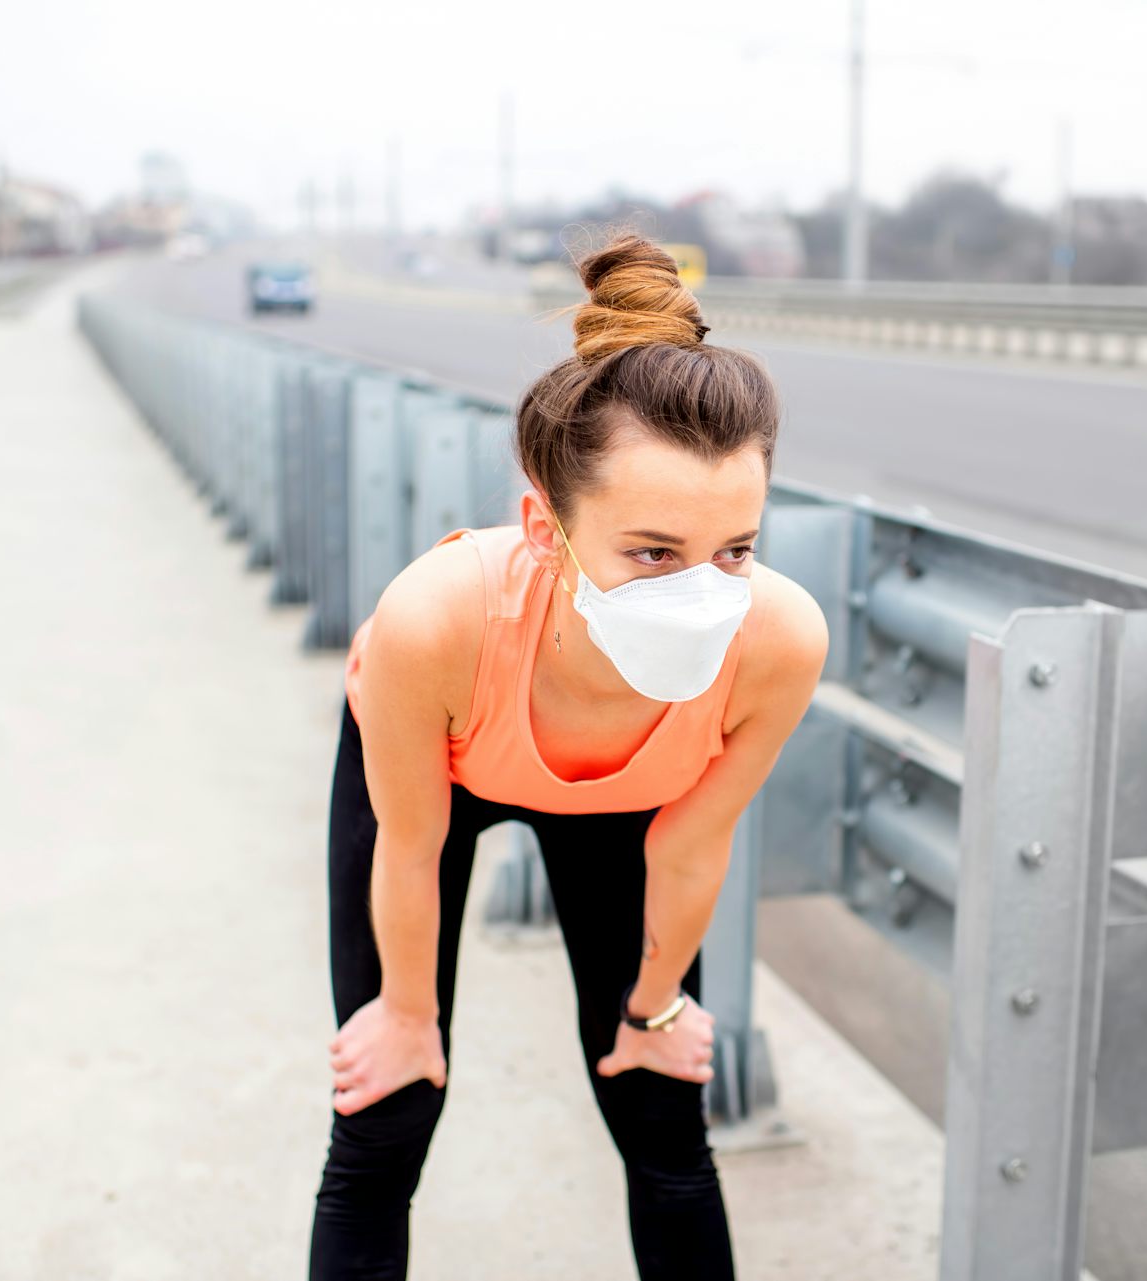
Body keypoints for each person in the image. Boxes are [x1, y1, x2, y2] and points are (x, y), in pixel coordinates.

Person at [308, 229, 830, 1280]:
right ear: (544, 530)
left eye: (735, 548)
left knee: (661, 1113)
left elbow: (693, 843)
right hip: (443, 772)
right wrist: (408, 1013)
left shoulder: (777, 639)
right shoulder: (433, 621)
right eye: (652, 552)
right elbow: (409, 847)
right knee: (387, 1113)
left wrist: (654, 1008)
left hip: (621, 805)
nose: (703, 591)